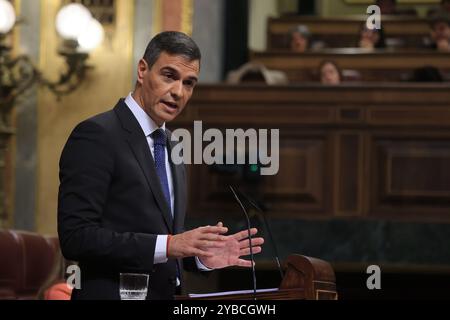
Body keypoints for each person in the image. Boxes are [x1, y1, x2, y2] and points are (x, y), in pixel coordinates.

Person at [57, 31, 264, 300]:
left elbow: (167, 242)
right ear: (143, 70)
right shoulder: (97, 135)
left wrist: (200, 257)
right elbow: (76, 237)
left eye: (189, 83)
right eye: (169, 76)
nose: (178, 92)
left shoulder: (173, 145)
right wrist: (168, 245)